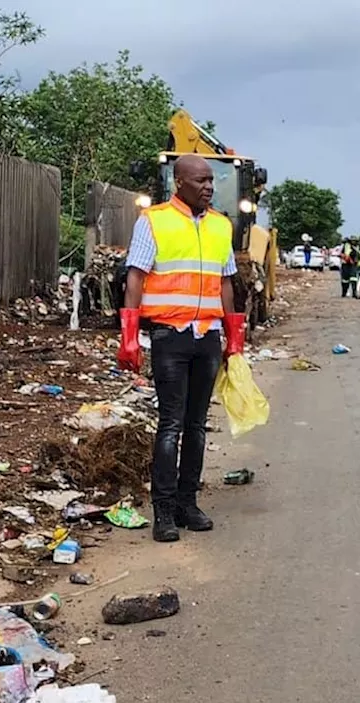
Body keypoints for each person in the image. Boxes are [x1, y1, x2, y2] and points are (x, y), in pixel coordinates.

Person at [118, 154, 240, 542]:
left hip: (207, 337)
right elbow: (135, 276)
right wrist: (129, 334)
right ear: (180, 183)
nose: (208, 187)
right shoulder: (153, 221)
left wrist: (233, 332)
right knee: (170, 424)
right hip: (170, 336)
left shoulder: (221, 225)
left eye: (211, 181)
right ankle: (164, 511)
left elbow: (226, 281)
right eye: (201, 180)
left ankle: (189, 504)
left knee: (197, 426)